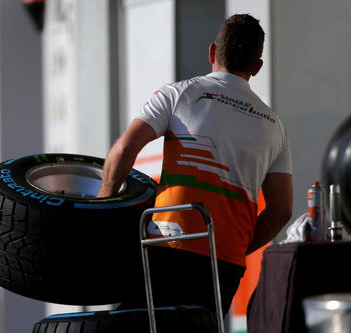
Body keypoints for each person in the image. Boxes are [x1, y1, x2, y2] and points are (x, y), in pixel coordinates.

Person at [98, 14, 293, 313]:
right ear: (256, 68)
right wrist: (237, 248)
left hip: (169, 246)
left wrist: (101, 212)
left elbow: (124, 149)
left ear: (213, 52)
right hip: (226, 261)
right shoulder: (274, 125)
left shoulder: (178, 94)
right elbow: (281, 211)